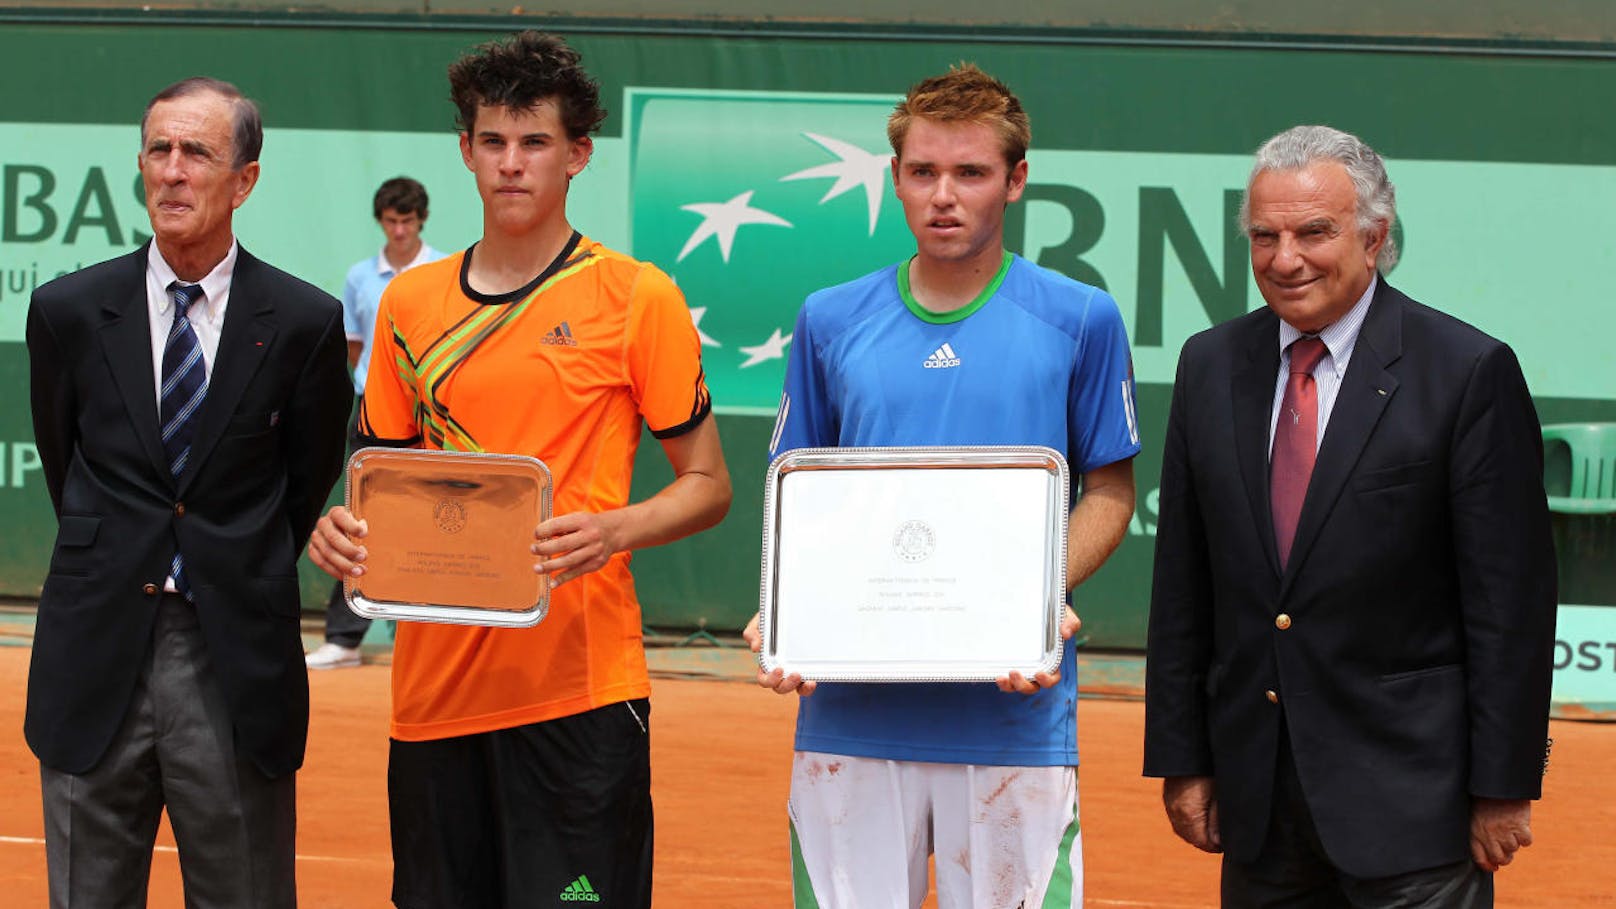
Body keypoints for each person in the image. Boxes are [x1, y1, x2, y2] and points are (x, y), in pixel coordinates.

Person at [306, 31, 731, 909]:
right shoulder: (407, 305)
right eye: (492, 141)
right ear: (465, 151)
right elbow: (380, 476)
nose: (511, 164)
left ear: (577, 154)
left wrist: (615, 528)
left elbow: (708, 484)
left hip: (576, 693)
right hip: (431, 696)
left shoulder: (634, 296)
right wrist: (343, 528)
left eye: (535, 142)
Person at [744, 64, 1140, 908]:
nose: (944, 195)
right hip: (851, 717)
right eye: (922, 172)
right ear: (895, 179)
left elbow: (1109, 488)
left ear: (1017, 179)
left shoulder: (1081, 317)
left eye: (971, 173)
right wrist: (787, 604)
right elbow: (799, 491)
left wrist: (1035, 593)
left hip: (1011, 720)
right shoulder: (829, 318)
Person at [1143, 125, 1557, 907]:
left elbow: (1512, 606)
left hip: (1415, 806)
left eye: (1313, 232)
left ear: (1375, 237)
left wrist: (1503, 784)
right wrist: (1184, 757)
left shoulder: (1467, 372)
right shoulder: (1207, 365)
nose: (1285, 257)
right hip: (1258, 803)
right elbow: (1184, 585)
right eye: (1264, 236)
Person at [25, 77, 351, 907]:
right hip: (95, 656)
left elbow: (303, 483)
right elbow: (69, 466)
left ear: (244, 179)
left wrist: (225, 557)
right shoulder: (67, 310)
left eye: (197, 152)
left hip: (234, 658)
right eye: (158, 150)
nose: (172, 171)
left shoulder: (304, 322)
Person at [306, 176, 444, 670]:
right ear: (381, 222)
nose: (401, 230)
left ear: (421, 220)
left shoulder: (445, 272)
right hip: (373, 410)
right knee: (362, 520)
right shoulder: (360, 277)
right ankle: (344, 640)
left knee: (441, 519)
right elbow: (355, 346)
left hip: (433, 417)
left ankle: (435, 635)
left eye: (408, 221)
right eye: (392, 221)